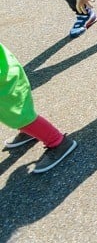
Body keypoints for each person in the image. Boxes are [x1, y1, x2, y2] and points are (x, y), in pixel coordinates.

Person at [0, 42, 77, 174]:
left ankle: (58, 142)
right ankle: (30, 131)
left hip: (4, 80)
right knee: (13, 112)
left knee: (18, 114)